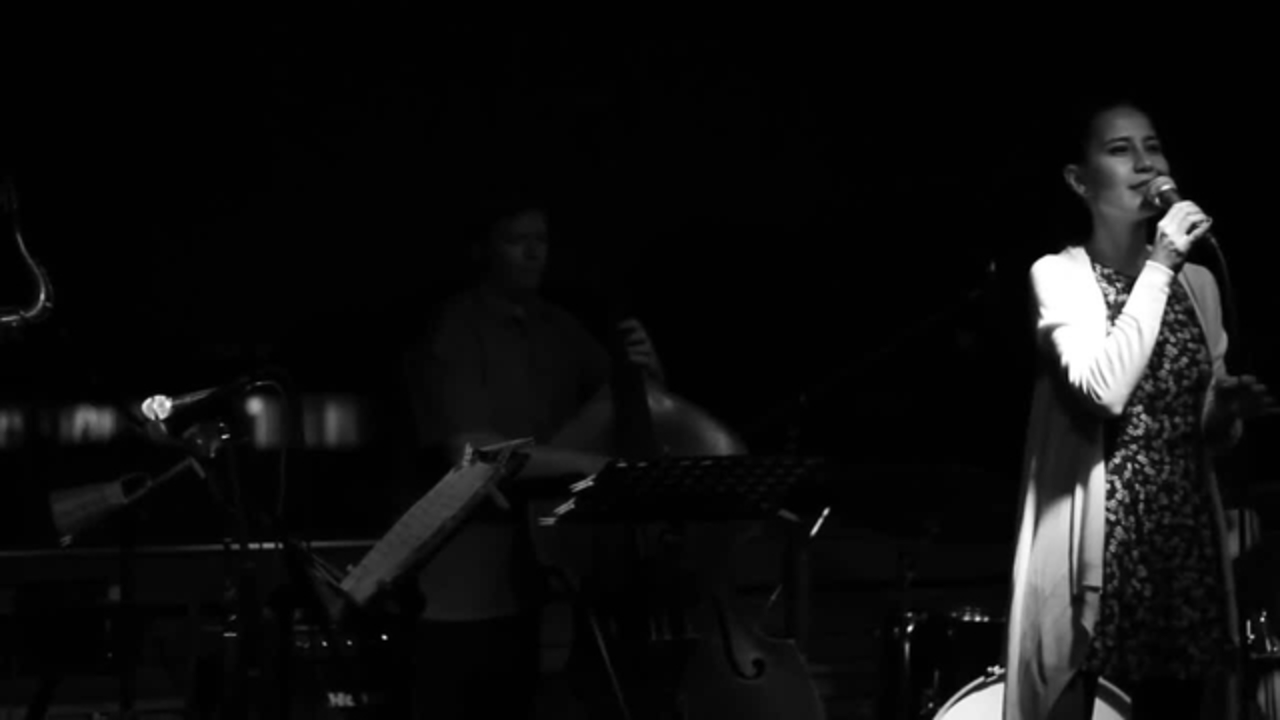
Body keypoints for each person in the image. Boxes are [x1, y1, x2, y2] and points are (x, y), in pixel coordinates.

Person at [1003, 95, 1275, 720]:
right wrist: (1160, 264)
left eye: (1153, 147)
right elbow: (1103, 391)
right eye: (1120, 150)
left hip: (1181, 546)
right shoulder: (1059, 275)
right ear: (1079, 180)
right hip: (1101, 553)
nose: (1146, 163)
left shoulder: (1197, 284)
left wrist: (1224, 412)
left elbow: (1204, 435)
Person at [401, 196, 665, 720]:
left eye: (540, 240)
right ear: (482, 250)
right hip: (465, 581)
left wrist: (648, 374)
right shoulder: (455, 326)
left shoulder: (559, 327)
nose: (532, 253)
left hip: (546, 566)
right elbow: (473, 454)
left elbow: (630, 414)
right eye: (515, 240)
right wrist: (592, 469)